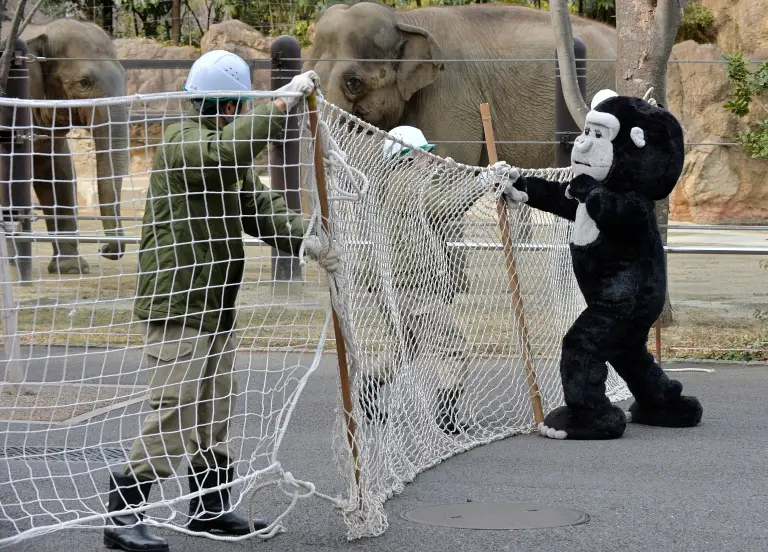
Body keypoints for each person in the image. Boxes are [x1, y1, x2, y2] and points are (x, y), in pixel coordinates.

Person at [103, 51, 340, 552]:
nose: (234, 113)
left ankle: (210, 510)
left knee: (213, 413)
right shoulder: (183, 143)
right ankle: (123, 514)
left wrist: (310, 238)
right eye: (230, 105)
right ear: (214, 104)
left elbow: (261, 209)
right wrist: (275, 108)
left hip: (213, 305)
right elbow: (224, 156)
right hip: (176, 304)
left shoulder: (224, 151)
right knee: (174, 408)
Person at [358, 126, 498, 435]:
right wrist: (484, 182)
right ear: (408, 156)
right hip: (414, 285)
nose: (430, 158)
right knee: (452, 346)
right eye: (425, 153)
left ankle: (368, 386)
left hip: (393, 283)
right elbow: (447, 206)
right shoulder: (410, 185)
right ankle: (447, 414)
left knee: (405, 346)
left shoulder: (395, 183)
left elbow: (439, 199)